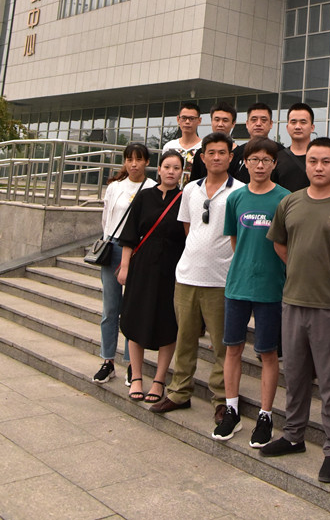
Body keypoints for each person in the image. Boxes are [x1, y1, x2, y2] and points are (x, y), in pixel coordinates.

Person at [261, 138, 330, 485]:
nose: (318, 167)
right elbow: (280, 244)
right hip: (293, 302)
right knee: (295, 375)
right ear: (305, 165)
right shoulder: (290, 202)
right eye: (313, 161)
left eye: (326, 161)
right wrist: (299, 270)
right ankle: (294, 435)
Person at [150, 133, 242, 423]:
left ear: (231, 157)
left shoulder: (240, 191)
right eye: (211, 152)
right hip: (188, 275)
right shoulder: (190, 189)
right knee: (185, 339)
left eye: (222, 152)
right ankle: (179, 392)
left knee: (222, 345)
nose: (216, 157)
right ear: (202, 158)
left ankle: (222, 398)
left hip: (221, 280)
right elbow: (188, 228)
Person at [213, 137, 289, 447]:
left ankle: (265, 415)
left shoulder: (285, 199)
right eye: (254, 159)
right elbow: (235, 242)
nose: (260, 165)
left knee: (268, 353)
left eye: (266, 160)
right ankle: (231, 409)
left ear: (274, 164)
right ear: (245, 163)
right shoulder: (236, 198)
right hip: (238, 285)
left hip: (271, 287)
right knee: (232, 348)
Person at [117, 150, 185, 402]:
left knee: (168, 323)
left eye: (176, 168)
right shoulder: (145, 196)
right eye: (167, 167)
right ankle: (136, 376)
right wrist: (125, 267)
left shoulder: (185, 198)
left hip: (172, 269)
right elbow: (129, 235)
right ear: (159, 169)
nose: (171, 172)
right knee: (135, 318)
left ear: (182, 172)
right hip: (142, 267)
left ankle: (159, 380)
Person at [92, 143, 156, 386]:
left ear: (147, 162)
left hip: (138, 251)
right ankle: (107, 360)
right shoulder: (115, 187)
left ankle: (132, 364)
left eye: (139, 159)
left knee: (133, 309)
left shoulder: (151, 187)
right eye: (129, 159)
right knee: (110, 308)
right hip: (113, 248)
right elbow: (106, 218)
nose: (134, 164)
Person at [189, 102, 244, 182]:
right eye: (217, 120)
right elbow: (194, 182)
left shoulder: (241, 154)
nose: (220, 124)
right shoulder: (201, 153)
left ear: (233, 124)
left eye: (225, 120)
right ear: (211, 121)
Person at [232, 103, 281, 183]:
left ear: (271, 124)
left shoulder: (281, 152)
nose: (258, 124)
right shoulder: (236, 154)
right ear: (247, 124)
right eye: (254, 120)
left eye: (263, 120)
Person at [274, 103, 314, 192]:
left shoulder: (321, 157)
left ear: (312, 127)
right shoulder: (277, 158)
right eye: (293, 122)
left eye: (303, 122)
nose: (298, 127)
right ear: (287, 127)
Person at [163, 101, 202, 183]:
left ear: (199, 120)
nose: (187, 122)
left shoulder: (204, 147)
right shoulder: (169, 146)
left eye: (192, 118)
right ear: (178, 119)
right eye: (184, 118)